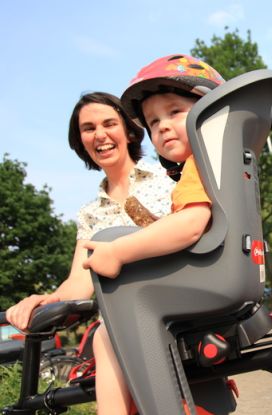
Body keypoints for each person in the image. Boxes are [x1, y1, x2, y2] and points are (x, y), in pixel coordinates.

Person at [5, 91, 175, 413]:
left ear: (128, 130)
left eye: (109, 123)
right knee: (106, 333)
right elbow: (79, 282)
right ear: (81, 140)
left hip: (165, 302)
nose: (99, 135)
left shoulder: (168, 179)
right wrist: (43, 300)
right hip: (121, 320)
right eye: (88, 128)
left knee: (105, 335)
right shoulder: (89, 213)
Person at [82, 54, 225, 414]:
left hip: (206, 281)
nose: (161, 127)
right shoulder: (216, 166)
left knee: (107, 334)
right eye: (153, 121)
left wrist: (118, 252)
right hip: (215, 276)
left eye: (174, 111)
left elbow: (190, 224)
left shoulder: (197, 168)